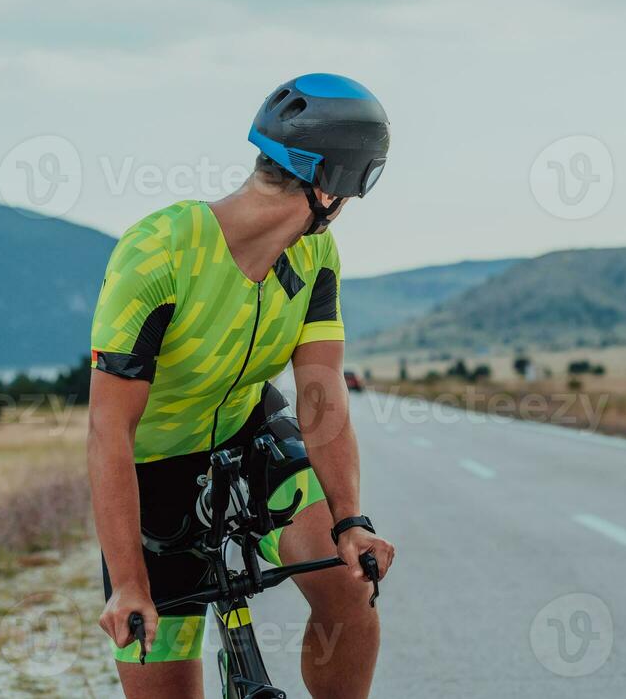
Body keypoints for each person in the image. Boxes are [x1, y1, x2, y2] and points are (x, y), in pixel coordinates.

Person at [87, 73, 396, 699]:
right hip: (156, 468)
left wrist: (350, 521)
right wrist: (128, 582)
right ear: (329, 186)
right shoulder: (157, 251)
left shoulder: (317, 256)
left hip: (250, 433)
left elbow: (321, 396)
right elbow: (109, 430)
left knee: (348, 588)